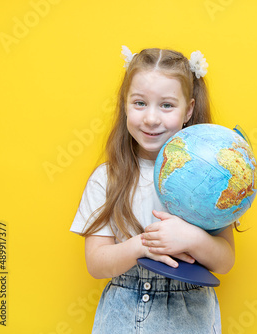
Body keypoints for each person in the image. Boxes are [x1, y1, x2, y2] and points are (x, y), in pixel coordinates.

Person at [70, 46, 235, 333]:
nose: (151, 118)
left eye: (167, 105)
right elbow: (96, 264)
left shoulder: (210, 178)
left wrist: (192, 238)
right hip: (122, 313)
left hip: (191, 315)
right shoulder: (107, 178)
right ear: (125, 104)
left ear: (189, 110)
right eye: (140, 103)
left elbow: (225, 261)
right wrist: (145, 246)